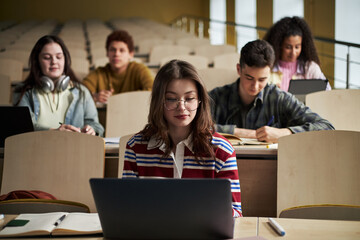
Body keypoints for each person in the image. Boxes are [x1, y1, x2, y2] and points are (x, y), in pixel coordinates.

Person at [122, 60, 242, 217]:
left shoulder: (222, 150)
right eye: (171, 99)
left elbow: (236, 214)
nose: (182, 107)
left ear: (199, 101)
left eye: (189, 98)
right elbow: (125, 208)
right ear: (159, 102)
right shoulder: (135, 147)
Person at [209, 40, 334, 143]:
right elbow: (192, 126)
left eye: (262, 79)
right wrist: (239, 132)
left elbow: (326, 127)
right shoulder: (216, 97)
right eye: (249, 78)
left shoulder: (279, 98)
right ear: (238, 69)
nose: (255, 86)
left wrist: (284, 133)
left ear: (270, 73)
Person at [13, 35, 104, 136]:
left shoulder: (82, 91)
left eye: (59, 57)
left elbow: (96, 126)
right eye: (47, 58)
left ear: (65, 60)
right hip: (35, 149)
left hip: (74, 150)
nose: (54, 62)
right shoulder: (24, 91)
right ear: (37, 62)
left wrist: (92, 130)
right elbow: (23, 128)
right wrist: (54, 133)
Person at [82, 30, 154, 104]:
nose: (116, 54)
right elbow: (81, 91)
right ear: (107, 53)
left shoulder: (140, 69)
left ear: (131, 54)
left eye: (122, 50)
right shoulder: (99, 73)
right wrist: (95, 96)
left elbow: (154, 89)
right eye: (112, 50)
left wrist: (115, 99)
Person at [263, 16, 331, 91]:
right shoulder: (268, 68)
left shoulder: (310, 68)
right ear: (279, 45)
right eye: (288, 47)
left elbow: (327, 91)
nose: (293, 53)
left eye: (297, 47)